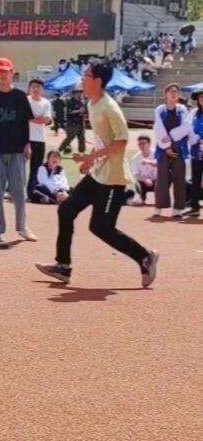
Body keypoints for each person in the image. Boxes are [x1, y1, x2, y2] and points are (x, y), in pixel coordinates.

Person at [36, 61, 159, 288]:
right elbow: (103, 139)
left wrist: (93, 157)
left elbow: (121, 141)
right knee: (66, 210)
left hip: (113, 178)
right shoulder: (92, 104)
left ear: (98, 81)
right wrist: (90, 160)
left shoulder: (110, 108)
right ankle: (63, 265)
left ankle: (145, 256)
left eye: (86, 75)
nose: (82, 79)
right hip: (98, 172)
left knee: (101, 227)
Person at [0, 57, 37, 242]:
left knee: (19, 192)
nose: (3, 75)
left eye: (6, 71)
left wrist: (27, 144)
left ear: (12, 73)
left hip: (17, 149)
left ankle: (22, 226)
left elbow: (25, 123)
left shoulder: (19, 96)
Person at [153, 83, 192, 218]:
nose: (174, 94)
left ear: (179, 95)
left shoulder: (183, 110)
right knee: (162, 178)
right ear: (165, 94)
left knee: (179, 178)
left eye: (176, 92)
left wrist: (172, 136)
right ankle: (158, 206)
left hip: (179, 147)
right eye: (171, 91)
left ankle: (178, 208)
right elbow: (158, 129)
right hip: (163, 148)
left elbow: (186, 127)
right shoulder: (160, 110)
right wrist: (167, 146)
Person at [27, 79, 52, 200]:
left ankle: (32, 193)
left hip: (39, 139)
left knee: (36, 168)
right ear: (29, 88)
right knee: (18, 166)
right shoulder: (25, 100)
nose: (35, 89)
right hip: (25, 138)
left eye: (38, 87)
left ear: (42, 89)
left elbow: (47, 120)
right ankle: (11, 190)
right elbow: (23, 117)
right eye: (33, 86)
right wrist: (38, 118)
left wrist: (32, 117)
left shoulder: (46, 103)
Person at [187, 90, 203, 217]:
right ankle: (194, 206)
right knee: (195, 180)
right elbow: (188, 128)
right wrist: (196, 138)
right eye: (201, 97)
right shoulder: (193, 113)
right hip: (196, 151)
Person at [130, 135, 158, 206]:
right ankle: (141, 198)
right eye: (139, 144)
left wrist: (149, 162)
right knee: (137, 183)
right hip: (143, 182)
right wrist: (145, 180)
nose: (141, 145)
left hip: (157, 180)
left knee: (165, 179)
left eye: (143, 143)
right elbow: (136, 174)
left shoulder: (156, 153)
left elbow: (161, 165)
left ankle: (160, 198)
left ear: (149, 144)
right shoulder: (135, 158)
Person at [59, 88, 86, 154]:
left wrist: (83, 112)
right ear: (74, 94)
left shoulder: (81, 102)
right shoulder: (70, 102)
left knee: (82, 138)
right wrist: (79, 111)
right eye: (78, 93)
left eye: (80, 93)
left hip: (80, 123)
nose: (80, 94)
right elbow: (69, 112)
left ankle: (81, 152)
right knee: (70, 137)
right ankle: (60, 149)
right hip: (72, 124)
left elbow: (83, 110)